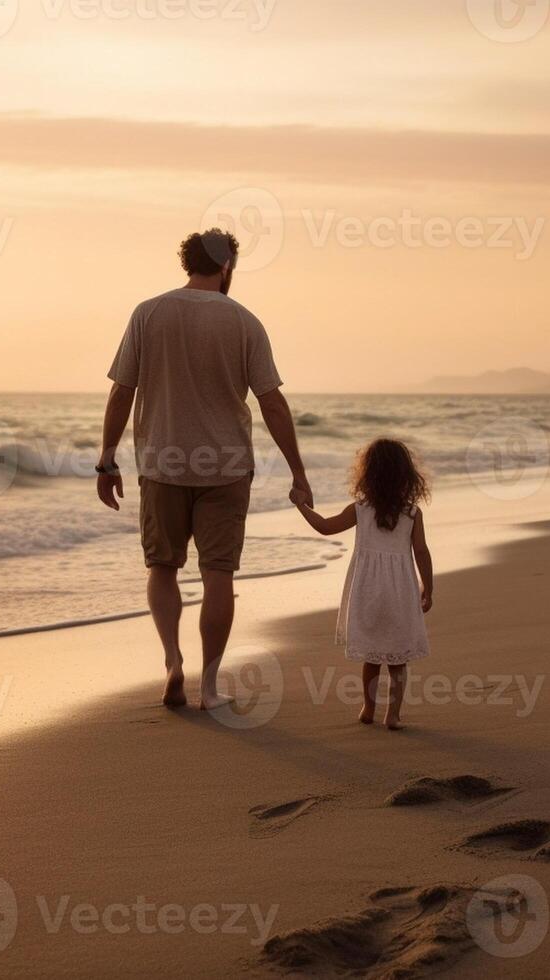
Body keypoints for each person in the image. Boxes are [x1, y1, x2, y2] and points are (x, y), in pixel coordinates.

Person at [95, 229, 312, 711]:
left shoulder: (148, 313)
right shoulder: (244, 321)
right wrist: (298, 470)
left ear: (187, 263)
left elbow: (120, 392)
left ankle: (173, 661)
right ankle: (209, 686)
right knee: (218, 574)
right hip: (227, 467)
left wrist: (107, 459)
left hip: (161, 464)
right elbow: (272, 402)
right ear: (228, 266)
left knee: (162, 567)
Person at [289, 439, 433, 730]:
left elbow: (326, 527)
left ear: (368, 473)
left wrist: (301, 505)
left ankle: (368, 707)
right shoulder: (412, 514)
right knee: (397, 659)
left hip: (367, 590)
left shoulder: (360, 509)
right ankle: (392, 714)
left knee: (371, 657)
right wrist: (428, 587)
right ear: (406, 475)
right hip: (400, 591)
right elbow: (421, 552)